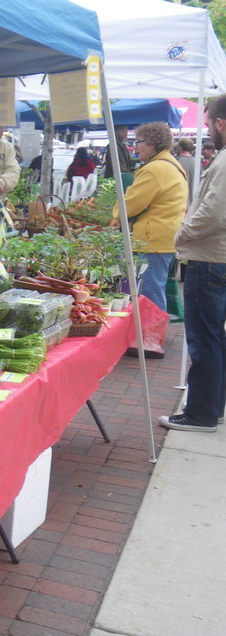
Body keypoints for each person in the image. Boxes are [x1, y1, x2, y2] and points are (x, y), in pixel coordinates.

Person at [160, 94, 226, 432]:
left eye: (208, 124)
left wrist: (181, 234)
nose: (207, 131)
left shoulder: (225, 159)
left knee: (205, 339)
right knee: (214, 338)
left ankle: (202, 414)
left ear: (220, 123)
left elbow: (213, 211)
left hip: (209, 259)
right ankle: (211, 407)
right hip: (215, 258)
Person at [111, 121, 187, 316]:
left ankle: (151, 343)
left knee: (149, 294)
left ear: (152, 143)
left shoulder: (155, 169)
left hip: (152, 241)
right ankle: (152, 339)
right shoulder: (172, 165)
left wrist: (116, 214)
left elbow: (130, 204)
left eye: (139, 141)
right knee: (154, 291)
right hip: (165, 238)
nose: (135, 146)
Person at [175, 137, 198, 203]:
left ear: (179, 147)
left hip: (180, 201)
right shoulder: (197, 163)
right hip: (194, 200)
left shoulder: (175, 162)